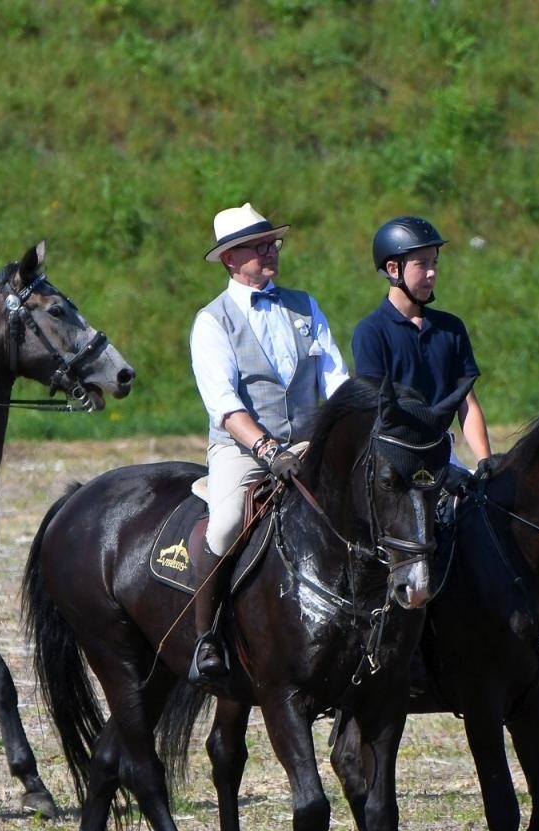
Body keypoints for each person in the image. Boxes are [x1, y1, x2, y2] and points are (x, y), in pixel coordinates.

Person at [187, 202, 350, 681]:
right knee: (226, 524)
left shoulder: (305, 306)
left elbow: (336, 381)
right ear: (229, 260)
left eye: (271, 243)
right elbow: (225, 404)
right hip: (243, 451)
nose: (269, 252)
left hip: (308, 441)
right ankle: (207, 637)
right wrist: (267, 451)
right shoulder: (211, 322)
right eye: (257, 247)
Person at [351, 216, 497, 483]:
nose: (432, 273)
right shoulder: (370, 332)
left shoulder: (451, 328)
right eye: (422, 264)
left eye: (434, 263)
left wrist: (485, 461)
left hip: (443, 451)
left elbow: (467, 402)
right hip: (394, 460)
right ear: (393, 269)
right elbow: (377, 412)